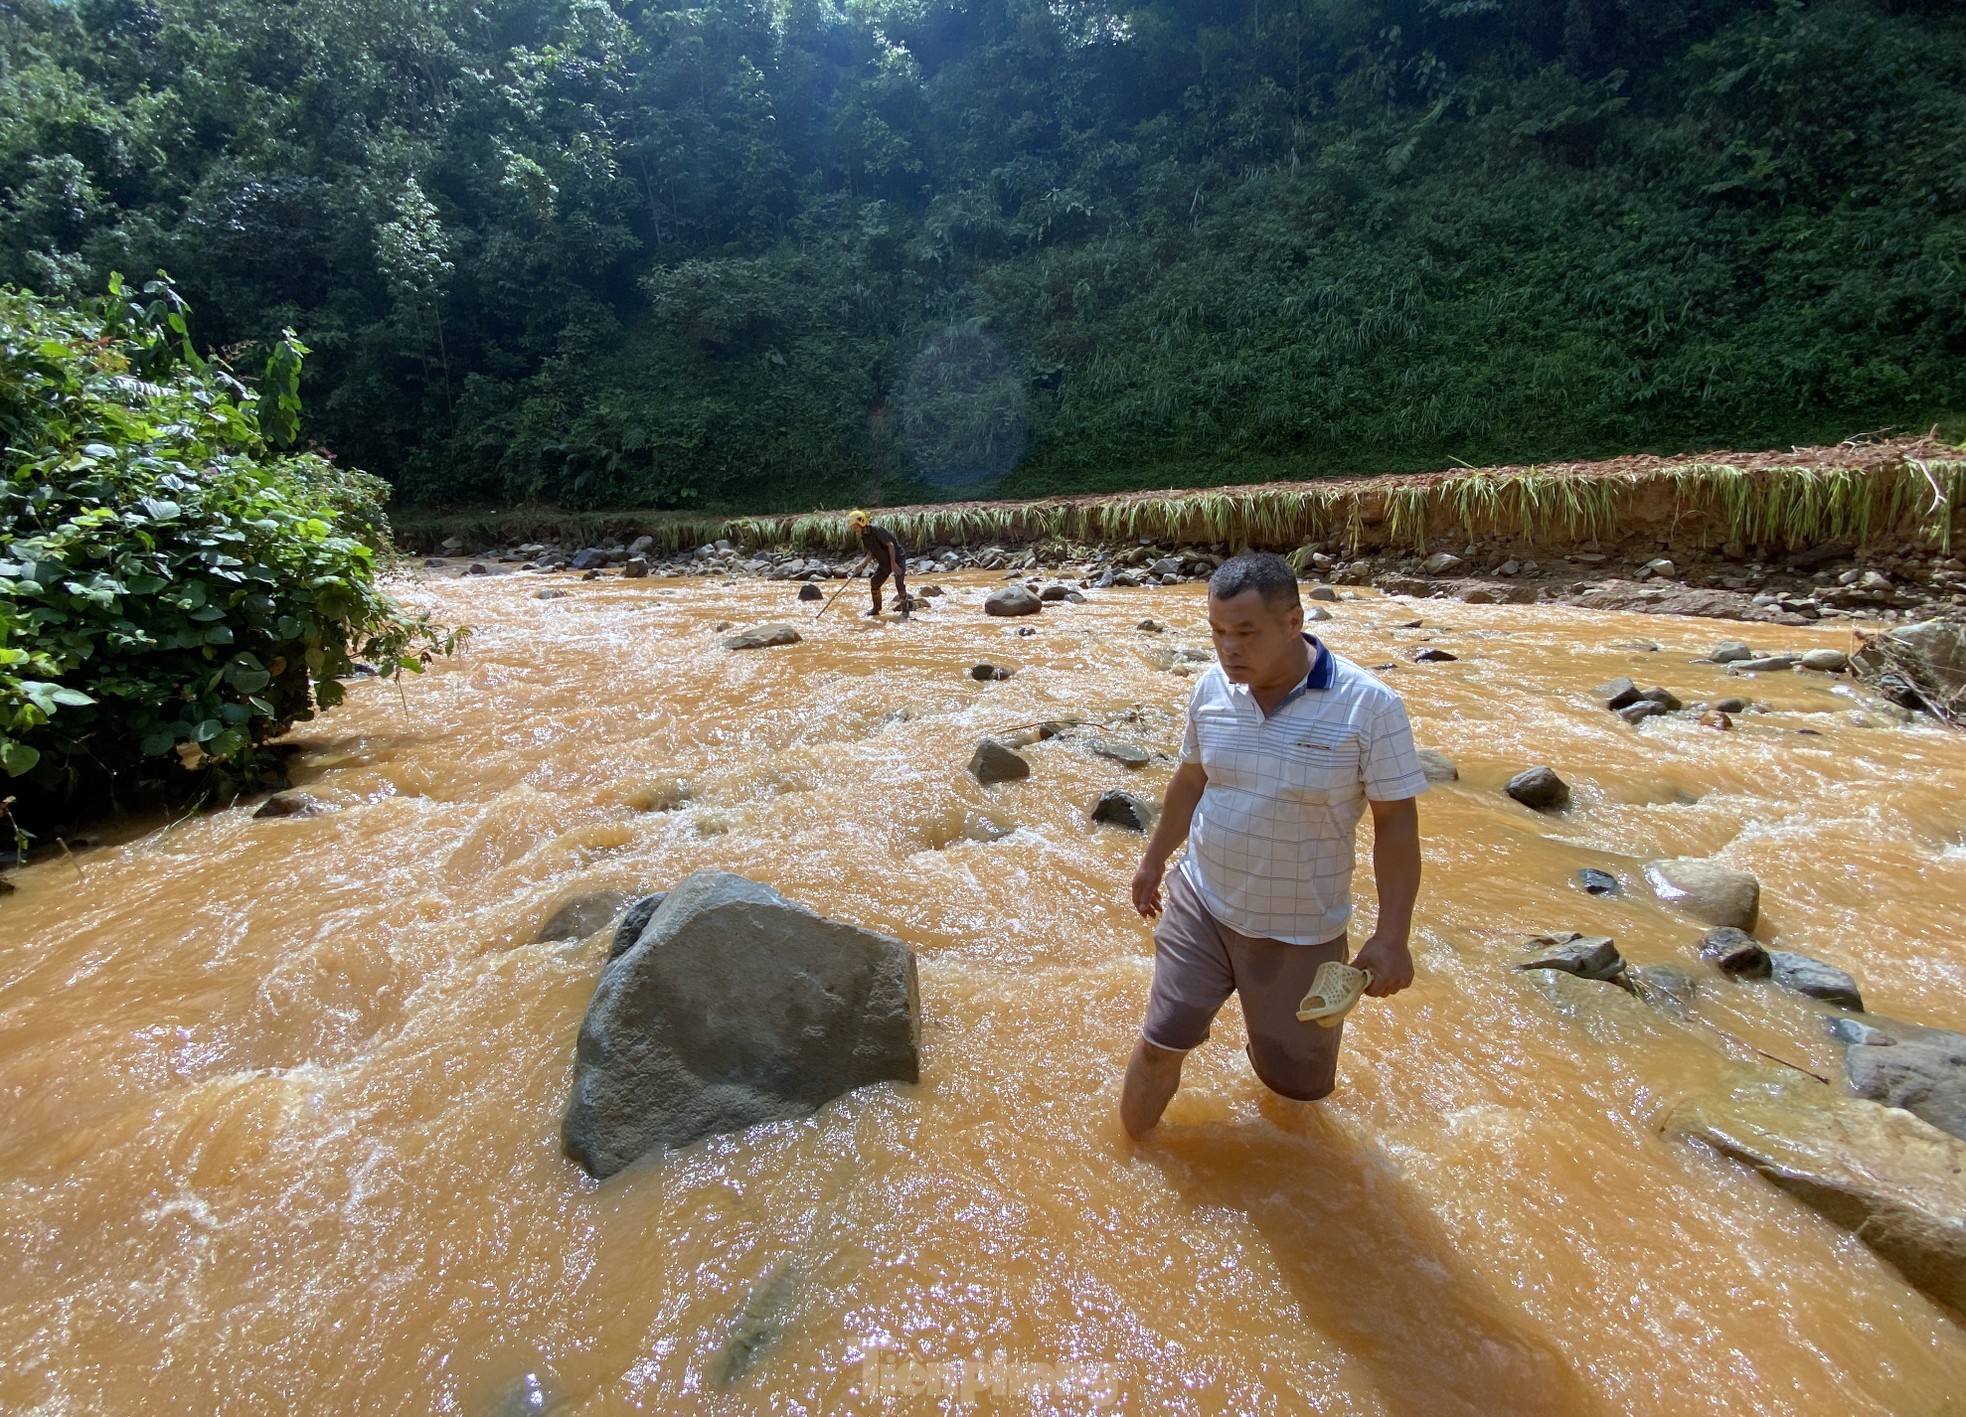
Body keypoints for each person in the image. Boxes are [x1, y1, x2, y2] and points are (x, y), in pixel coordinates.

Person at [1120, 551, 1428, 1137]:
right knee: (1161, 1044)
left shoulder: (1369, 707)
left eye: (1245, 632)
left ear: (1294, 623)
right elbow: (1191, 778)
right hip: (1202, 903)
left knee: (1296, 1090)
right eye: (1216, 631)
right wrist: (1153, 860)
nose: (1227, 648)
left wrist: (1392, 938)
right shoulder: (1211, 688)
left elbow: (1396, 823)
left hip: (1301, 928)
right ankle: (1124, 1168)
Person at [846, 509, 910, 620]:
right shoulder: (864, 536)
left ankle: (905, 611)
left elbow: (890, 545)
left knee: (899, 584)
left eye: (854, 526)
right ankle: (876, 609)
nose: (853, 529)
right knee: (875, 582)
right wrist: (861, 565)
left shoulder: (876, 529)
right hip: (884, 561)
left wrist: (893, 563)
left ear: (861, 523)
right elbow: (871, 553)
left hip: (897, 558)